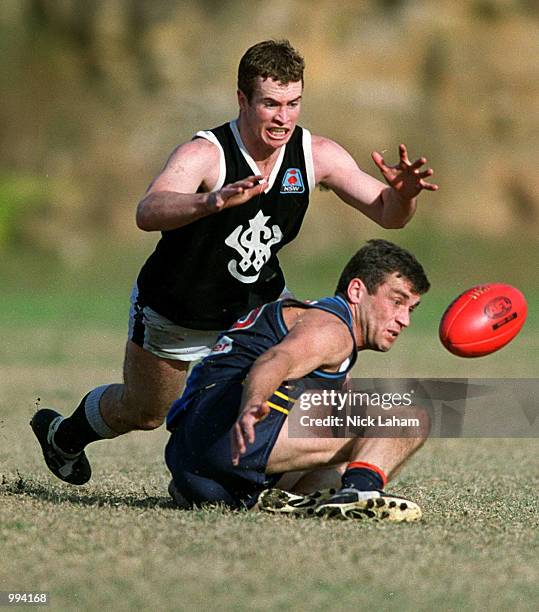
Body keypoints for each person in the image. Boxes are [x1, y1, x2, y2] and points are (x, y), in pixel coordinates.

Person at [30, 40, 438, 486]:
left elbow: (387, 215)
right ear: (243, 99)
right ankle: (64, 434)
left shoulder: (316, 154)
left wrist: (403, 196)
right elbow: (147, 211)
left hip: (257, 310)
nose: (283, 117)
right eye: (270, 104)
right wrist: (210, 200)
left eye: (293, 103)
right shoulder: (206, 154)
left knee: (316, 381)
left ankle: (298, 483)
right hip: (178, 311)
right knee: (144, 411)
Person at [165, 240, 430, 521]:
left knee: (359, 457)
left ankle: (291, 500)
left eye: (410, 309)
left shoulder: (317, 318)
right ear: (356, 291)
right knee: (408, 418)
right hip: (232, 439)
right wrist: (252, 405)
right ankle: (359, 494)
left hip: (194, 463)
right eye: (397, 301)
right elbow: (276, 360)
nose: (404, 320)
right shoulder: (332, 330)